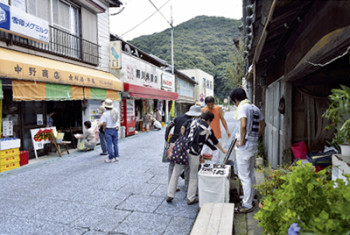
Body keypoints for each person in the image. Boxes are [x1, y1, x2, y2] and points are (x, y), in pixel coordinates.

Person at [166, 111, 227, 205]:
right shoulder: (208, 129)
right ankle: (191, 198)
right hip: (194, 152)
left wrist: (184, 138)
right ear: (209, 120)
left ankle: (170, 194)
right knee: (193, 176)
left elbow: (182, 127)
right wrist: (223, 150)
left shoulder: (191, 121)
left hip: (183, 150)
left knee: (176, 173)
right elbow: (215, 141)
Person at [230, 87, 265, 214]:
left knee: (244, 176)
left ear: (236, 100)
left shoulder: (242, 108)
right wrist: (257, 136)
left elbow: (243, 125)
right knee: (250, 174)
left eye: (234, 102)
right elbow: (263, 124)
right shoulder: (254, 107)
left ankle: (247, 204)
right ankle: (250, 197)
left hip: (245, 147)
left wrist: (243, 140)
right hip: (253, 145)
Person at [164, 105, 202, 190]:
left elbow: (168, 127)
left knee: (172, 165)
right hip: (185, 145)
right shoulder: (193, 121)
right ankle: (188, 186)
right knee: (187, 165)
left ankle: (171, 186)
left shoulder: (178, 118)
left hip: (173, 143)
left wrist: (167, 139)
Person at [201, 96, 231, 164]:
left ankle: (215, 166)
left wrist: (227, 130)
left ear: (214, 103)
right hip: (206, 134)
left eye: (212, 104)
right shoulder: (203, 110)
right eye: (209, 105)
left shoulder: (218, 108)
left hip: (217, 134)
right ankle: (203, 166)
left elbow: (222, 119)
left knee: (216, 153)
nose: (211, 106)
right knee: (204, 152)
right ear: (206, 104)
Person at [100, 99, 120, 163]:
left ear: (105, 106)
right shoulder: (115, 111)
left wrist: (103, 129)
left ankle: (110, 157)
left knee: (109, 144)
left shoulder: (105, 114)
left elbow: (104, 123)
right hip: (115, 129)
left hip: (108, 130)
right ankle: (117, 156)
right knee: (115, 144)